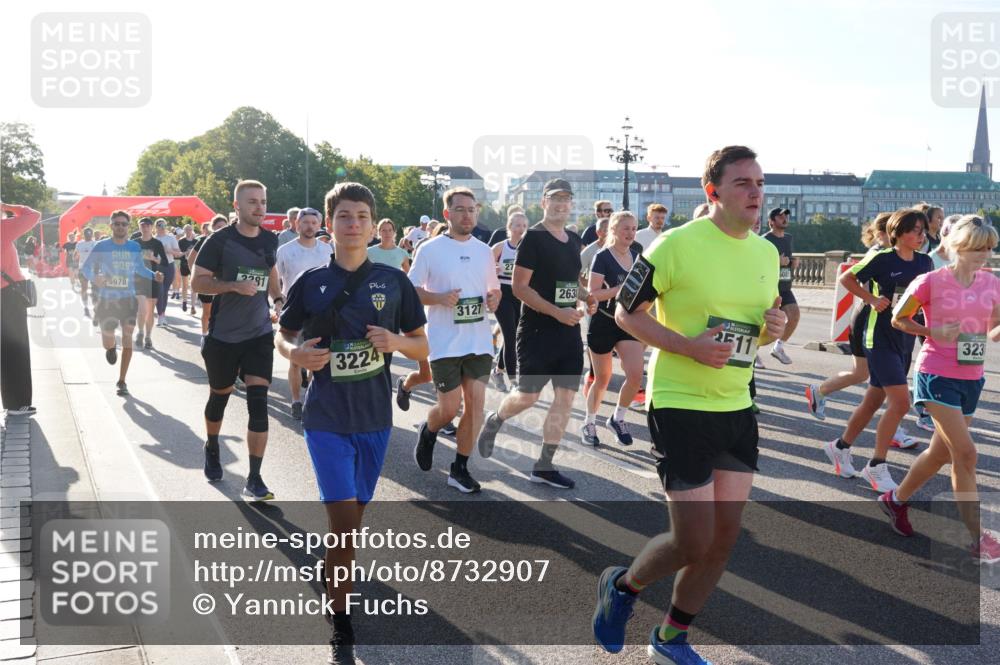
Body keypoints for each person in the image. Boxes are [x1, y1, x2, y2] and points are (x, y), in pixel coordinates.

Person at [593, 145, 785, 664]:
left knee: (723, 540)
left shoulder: (766, 253)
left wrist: (775, 328)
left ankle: (671, 637)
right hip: (680, 403)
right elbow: (625, 314)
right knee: (692, 541)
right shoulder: (675, 246)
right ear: (713, 191)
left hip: (738, 406)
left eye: (759, 183)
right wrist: (689, 347)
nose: (755, 192)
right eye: (743, 182)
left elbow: (756, 331)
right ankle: (624, 586)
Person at [276, 182, 427, 665]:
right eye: (345, 216)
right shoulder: (311, 282)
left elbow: (423, 347)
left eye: (362, 215)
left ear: (372, 223)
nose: (354, 224)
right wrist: (295, 354)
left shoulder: (394, 282)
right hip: (325, 419)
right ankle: (341, 619)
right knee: (344, 526)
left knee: (354, 520)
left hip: (375, 419)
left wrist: (395, 343)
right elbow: (281, 335)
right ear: (329, 223)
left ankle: (334, 571)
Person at [880, 215, 1000, 564]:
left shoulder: (992, 284)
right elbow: (898, 319)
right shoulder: (930, 281)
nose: (985, 255)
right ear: (958, 247)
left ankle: (895, 499)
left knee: (940, 454)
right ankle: (978, 539)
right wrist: (933, 332)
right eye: (978, 248)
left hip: (971, 377)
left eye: (989, 248)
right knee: (966, 454)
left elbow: (993, 331)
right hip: (935, 374)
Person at [477, 178, 598, 489]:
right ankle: (496, 419)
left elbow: (571, 282)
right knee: (528, 396)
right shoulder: (532, 238)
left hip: (569, 333)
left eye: (566, 199)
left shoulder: (572, 239)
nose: (561, 204)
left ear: (571, 204)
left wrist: (587, 297)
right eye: (554, 199)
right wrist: (557, 312)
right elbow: (519, 288)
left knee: (566, 397)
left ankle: (544, 466)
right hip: (536, 331)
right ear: (544, 202)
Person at [823, 207, 933, 492]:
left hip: (904, 341)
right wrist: (871, 299)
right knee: (900, 403)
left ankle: (840, 446)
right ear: (899, 233)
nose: (921, 236)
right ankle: (876, 466)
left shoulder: (924, 263)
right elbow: (847, 278)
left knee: (873, 402)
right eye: (916, 231)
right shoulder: (882, 258)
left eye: (924, 230)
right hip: (878, 338)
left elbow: (926, 301)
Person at [192, 180, 282, 501]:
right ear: (237, 206)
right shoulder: (219, 241)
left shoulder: (271, 240)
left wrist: (278, 299)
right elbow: (197, 281)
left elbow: (270, 273)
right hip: (223, 337)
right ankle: (212, 446)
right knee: (220, 397)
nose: (259, 207)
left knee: (259, 404)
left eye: (263, 201)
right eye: (252, 202)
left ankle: (254, 478)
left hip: (258, 334)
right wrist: (231, 285)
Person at [410, 187, 500, 493]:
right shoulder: (430, 249)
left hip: (478, 341)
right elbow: (412, 290)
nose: (467, 215)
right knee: (448, 409)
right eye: (460, 209)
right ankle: (429, 428)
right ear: (448, 214)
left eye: (472, 209)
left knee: (475, 407)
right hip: (444, 341)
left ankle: (459, 468)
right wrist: (437, 297)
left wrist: (494, 298)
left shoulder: (483, 250)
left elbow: (493, 288)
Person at [81, 210, 163, 396]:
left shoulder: (134, 247)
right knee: (108, 338)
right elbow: (85, 268)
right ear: (111, 225)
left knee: (127, 337)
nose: (120, 226)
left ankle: (122, 380)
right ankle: (110, 350)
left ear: (128, 226)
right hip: (106, 300)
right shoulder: (101, 246)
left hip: (127, 298)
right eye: (117, 223)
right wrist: (95, 278)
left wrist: (154, 275)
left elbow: (140, 268)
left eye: (124, 224)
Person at [582, 211, 644, 446]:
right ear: (614, 230)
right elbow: (592, 294)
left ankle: (618, 418)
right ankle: (589, 422)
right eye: (626, 228)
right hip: (604, 320)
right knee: (603, 378)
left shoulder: (638, 256)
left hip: (627, 321)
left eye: (634, 228)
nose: (630, 233)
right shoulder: (602, 257)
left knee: (636, 374)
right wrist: (619, 289)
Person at [275, 206, 333, 420]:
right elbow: (277, 280)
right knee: (296, 359)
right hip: (294, 311)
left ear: (319, 225)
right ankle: (296, 400)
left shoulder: (327, 250)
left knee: (316, 356)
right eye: (305, 222)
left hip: (321, 312)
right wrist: (276, 303)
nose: (309, 227)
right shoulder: (285, 251)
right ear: (296, 224)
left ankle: (310, 398)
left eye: (313, 223)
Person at [1, 204, 41, 416]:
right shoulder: (3, 227)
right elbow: (33, 215)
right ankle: (17, 403)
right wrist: (7, 206)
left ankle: (13, 402)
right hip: (8, 295)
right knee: (16, 349)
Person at [491, 211, 528, 392]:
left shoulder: (528, 248)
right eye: (517, 225)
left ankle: (498, 371)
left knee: (511, 335)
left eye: (524, 226)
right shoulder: (500, 247)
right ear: (509, 227)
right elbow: (483, 269)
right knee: (511, 335)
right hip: (502, 293)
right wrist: (493, 269)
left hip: (520, 294)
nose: (520, 229)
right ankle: (514, 381)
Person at [763, 207, 799, 364]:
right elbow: (757, 263)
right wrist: (776, 262)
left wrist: (792, 263)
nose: (785, 219)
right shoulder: (764, 240)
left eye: (786, 216)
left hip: (784, 286)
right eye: (780, 217)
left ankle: (778, 347)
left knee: (794, 315)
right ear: (771, 222)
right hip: (767, 286)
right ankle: (753, 352)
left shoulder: (788, 238)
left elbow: (787, 261)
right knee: (760, 322)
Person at [189, 215, 228, 336]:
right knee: (207, 312)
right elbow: (191, 259)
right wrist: (196, 276)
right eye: (218, 227)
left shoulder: (230, 242)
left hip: (223, 283)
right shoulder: (204, 241)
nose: (221, 229)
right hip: (207, 282)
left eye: (224, 227)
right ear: (212, 227)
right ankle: (205, 335)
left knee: (222, 312)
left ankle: (218, 335)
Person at [133, 217, 168, 350]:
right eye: (143, 225)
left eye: (148, 225)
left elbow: (164, 262)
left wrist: (153, 258)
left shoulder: (157, 243)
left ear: (151, 227)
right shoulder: (134, 243)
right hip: (138, 279)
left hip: (153, 278)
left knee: (150, 311)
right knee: (142, 309)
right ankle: (140, 332)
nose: (145, 227)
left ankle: (148, 336)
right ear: (139, 227)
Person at [152, 219, 181, 325]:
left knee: (165, 291)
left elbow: (177, 253)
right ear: (156, 227)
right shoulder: (153, 239)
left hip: (169, 265)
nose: (162, 227)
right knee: (159, 290)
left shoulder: (171, 238)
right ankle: (160, 315)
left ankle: (162, 313)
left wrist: (168, 250)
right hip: (157, 266)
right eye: (159, 225)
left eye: (163, 225)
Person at [74, 227, 98, 319]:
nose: (88, 236)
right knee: (84, 288)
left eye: (90, 234)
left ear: (92, 234)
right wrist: (76, 257)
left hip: (93, 270)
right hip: (83, 269)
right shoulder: (80, 244)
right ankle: (86, 307)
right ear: (84, 235)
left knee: (94, 290)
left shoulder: (95, 244)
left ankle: (96, 308)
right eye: (86, 235)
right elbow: (75, 256)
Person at [178, 224, 199, 314]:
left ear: (192, 231)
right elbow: (178, 253)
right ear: (184, 231)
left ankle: (193, 306)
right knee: (185, 285)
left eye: (190, 230)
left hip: (194, 265)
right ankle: (184, 301)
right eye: (186, 230)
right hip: (184, 264)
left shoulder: (196, 241)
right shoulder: (181, 241)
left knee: (193, 285)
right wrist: (186, 252)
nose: (188, 231)